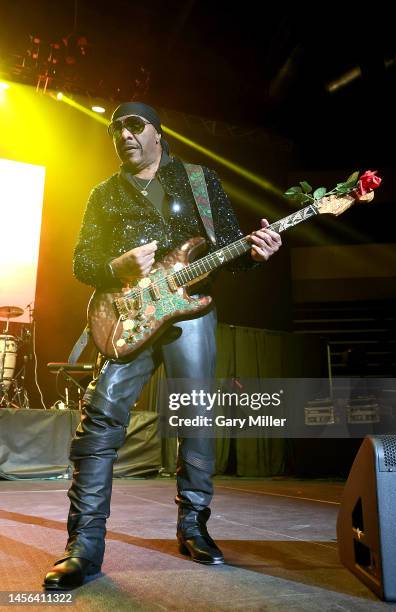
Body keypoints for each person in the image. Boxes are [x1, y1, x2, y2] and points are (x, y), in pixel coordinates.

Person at [43, 102, 282, 590]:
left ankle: (194, 526)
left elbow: (228, 248)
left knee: (196, 417)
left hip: (187, 314)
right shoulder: (104, 193)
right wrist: (118, 267)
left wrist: (256, 254)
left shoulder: (199, 179)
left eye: (134, 126)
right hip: (128, 317)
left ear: (157, 133)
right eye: (116, 128)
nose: (123, 135)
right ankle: (83, 545)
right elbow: (82, 261)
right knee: (101, 417)